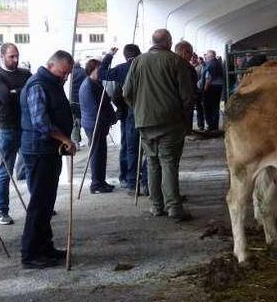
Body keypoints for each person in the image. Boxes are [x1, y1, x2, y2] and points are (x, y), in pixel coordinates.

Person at [123, 29, 194, 221]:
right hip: (171, 122)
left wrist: (139, 109)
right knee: (169, 162)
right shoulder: (176, 61)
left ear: (152, 41)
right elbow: (188, 97)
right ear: (169, 42)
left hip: (144, 122)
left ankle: (156, 206)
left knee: (153, 163)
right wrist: (181, 116)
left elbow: (126, 92)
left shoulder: (137, 61)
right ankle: (174, 208)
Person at [19, 50, 77, 269]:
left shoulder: (51, 83)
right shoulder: (38, 86)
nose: (65, 78)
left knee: (46, 203)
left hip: (49, 150)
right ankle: (30, 253)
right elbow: (41, 123)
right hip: (38, 150)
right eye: (63, 73)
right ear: (51, 65)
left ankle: (45, 246)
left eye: (68, 74)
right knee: (39, 203)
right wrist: (65, 139)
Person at [0, 42, 32, 225]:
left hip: (27, 126)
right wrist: (20, 92)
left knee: (31, 166)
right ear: (2, 56)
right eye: (11, 56)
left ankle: (36, 205)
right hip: (9, 127)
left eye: (17, 56)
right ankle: (2, 211)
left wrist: (16, 93)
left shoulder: (25, 73)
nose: (15, 59)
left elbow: (34, 91)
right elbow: (4, 97)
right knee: (5, 171)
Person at [99, 44, 147, 194]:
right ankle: (147, 180)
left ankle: (132, 181)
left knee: (131, 148)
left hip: (131, 113)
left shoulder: (121, 68)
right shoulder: (146, 65)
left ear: (125, 56)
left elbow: (102, 73)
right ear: (139, 53)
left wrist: (109, 56)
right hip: (148, 111)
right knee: (150, 148)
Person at [80, 58, 117, 194]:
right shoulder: (88, 85)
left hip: (100, 123)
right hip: (93, 124)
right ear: (91, 70)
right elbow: (95, 109)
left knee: (101, 153)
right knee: (96, 154)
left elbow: (105, 101)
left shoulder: (97, 83)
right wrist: (108, 119)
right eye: (98, 70)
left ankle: (101, 181)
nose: (101, 72)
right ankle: (96, 183)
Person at [174, 41, 198, 133]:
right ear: (184, 52)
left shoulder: (168, 64)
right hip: (182, 106)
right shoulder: (185, 66)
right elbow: (189, 89)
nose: (192, 56)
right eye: (190, 53)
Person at [201, 50, 225, 133]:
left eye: (206, 56)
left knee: (208, 108)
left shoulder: (210, 65)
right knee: (215, 107)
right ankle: (215, 126)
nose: (205, 57)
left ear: (210, 56)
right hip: (218, 88)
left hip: (211, 88)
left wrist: (204, 89)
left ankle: (210, 126)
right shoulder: (218, 63)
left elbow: (208, 79)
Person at [69, 61, 85, 146]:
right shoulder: (83, 71)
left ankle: (76, 141)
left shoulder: (71, 73)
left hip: (71, 99)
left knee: (74, 121)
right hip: (81, 100)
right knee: (79, 120)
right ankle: (77, 140)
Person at [190, 53, 205, 131]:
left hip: (197, 90)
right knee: (189, 110)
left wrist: (198, 86)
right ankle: (189, 127)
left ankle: (201, 125)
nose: (193, 59)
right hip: (189, 91)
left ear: (196, 58)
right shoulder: (187, 66)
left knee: (199, 109)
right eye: (192, 57)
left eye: (194, 57)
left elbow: (202, 78)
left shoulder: (201, 67)